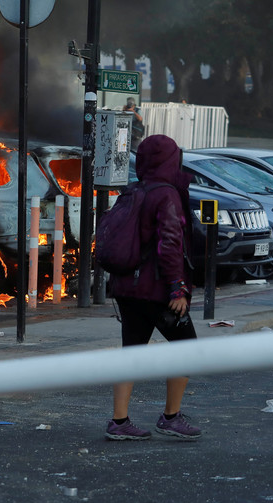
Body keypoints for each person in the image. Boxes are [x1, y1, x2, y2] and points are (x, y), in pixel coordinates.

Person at [105, 134, 202, 441]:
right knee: (189, 348)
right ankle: (171, 417)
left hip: (125, 286)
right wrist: (177, 288)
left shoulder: (133, 190)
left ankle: (119, 422)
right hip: (156, 289)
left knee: (131, 351)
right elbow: (170, 244)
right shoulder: (167, 195)